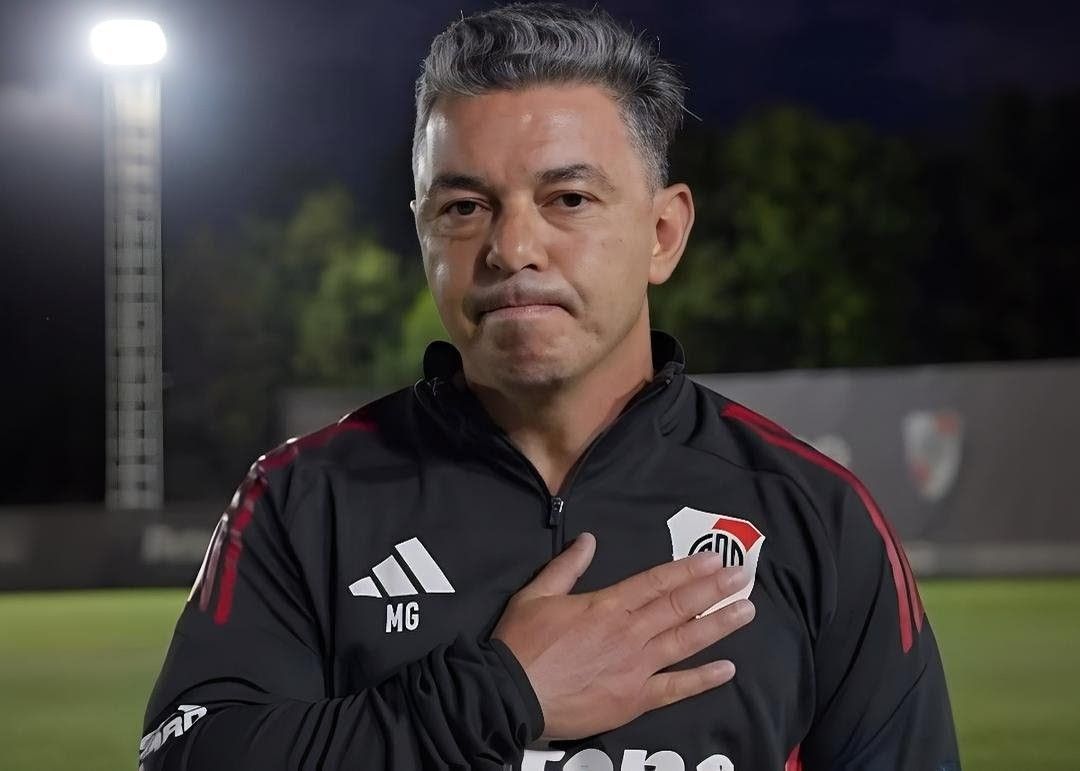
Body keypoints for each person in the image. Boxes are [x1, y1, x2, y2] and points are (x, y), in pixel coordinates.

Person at [141, 4, 960, 770]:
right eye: (465, 207)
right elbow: (188, 755)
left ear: (663, 232)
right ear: (423, 231)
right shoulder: (305, 498)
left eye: (568, 198)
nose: (512, 247)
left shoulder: (813, 512)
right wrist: (499, 695)